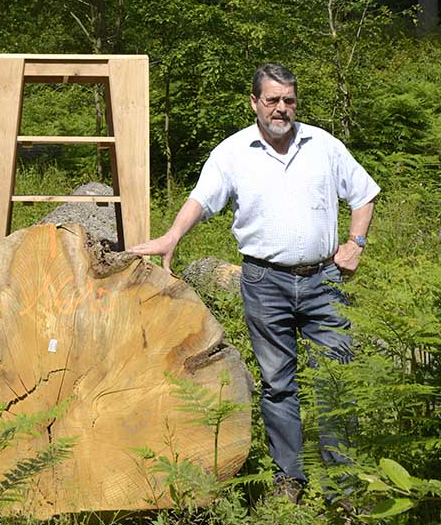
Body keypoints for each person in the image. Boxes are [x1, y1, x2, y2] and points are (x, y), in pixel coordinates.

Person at [130, 63, 380, 502]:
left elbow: (365, 194)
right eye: (272, 100)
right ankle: (291, 482)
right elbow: (202, 200)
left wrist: (356, 242)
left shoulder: (323, 145)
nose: (281, 109)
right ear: (254, 103)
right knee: (278, 383)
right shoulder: (232, 152)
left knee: (337, 381)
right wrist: (172, 236)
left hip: (325, 279)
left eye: (288, 100)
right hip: (264, 283)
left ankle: (344, 490)